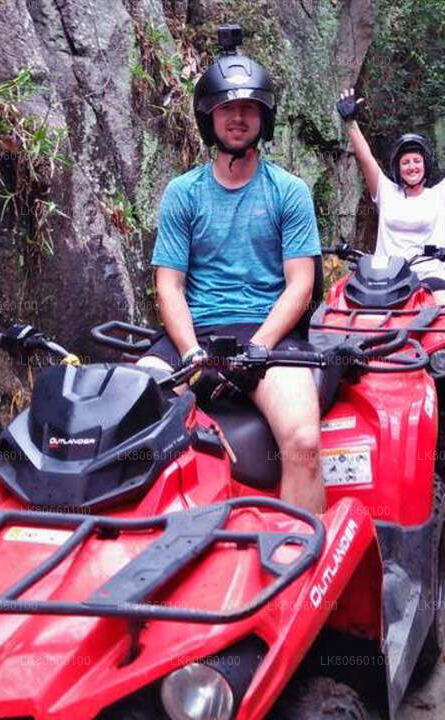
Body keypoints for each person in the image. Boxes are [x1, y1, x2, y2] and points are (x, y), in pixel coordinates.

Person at [136, 27, 326, 514]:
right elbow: (170, 285)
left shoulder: (289, 192)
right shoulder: (183, 192)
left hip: (270, 333)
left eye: (248, 108)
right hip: (195, 332)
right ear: (209, 117)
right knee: (127, 419)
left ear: (263, 118)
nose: (237, 117)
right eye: (226, 108)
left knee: (303, 441)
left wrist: (261, 347)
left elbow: (300, 282)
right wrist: (192, 353)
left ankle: (299, 573)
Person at [335, 89, 445, 304]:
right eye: (405, 162)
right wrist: (350, 122)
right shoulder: (386, 192)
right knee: (341, 309)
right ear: (398, 168)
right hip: (384, 277)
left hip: (430, 275)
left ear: (425, 165)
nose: (412, 166)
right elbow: (365, 157)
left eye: (416, 161)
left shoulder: (441, 195)